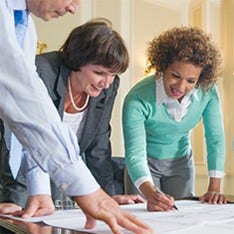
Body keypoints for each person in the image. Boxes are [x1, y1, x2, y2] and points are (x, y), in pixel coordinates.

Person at [0, 1, 152, 233]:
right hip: (14, 180)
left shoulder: (24, 27)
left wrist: (105, 197)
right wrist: (30, 192)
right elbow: (24, 122)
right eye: (100, 72)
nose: (73, 8)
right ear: (78, 62)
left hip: (53, 184)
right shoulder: (44, 68)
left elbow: (98, 149)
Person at [122, 26, 227, 212]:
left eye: (191, 81)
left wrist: (214, 188)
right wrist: (150, 193)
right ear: (163, 66)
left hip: (181, 164)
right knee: (145, 217)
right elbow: (135, 154)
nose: (180, 86)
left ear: (200, 79)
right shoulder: (137, 98)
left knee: (181, 219)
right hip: (144, 165)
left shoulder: (208, 92)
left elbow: (215, 139)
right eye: (175, 75)